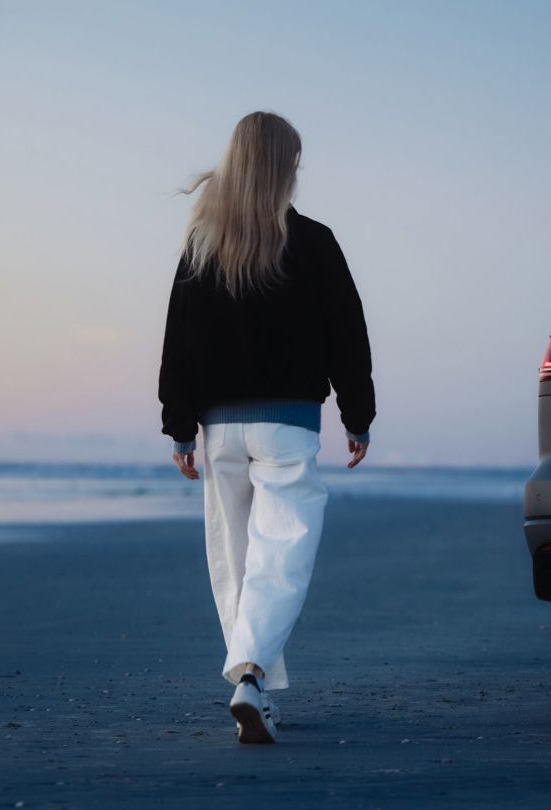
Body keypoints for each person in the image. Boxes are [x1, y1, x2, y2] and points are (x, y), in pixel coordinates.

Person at [158, 111, 375, 744]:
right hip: (288, 426)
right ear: (283, 169)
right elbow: (348, 337)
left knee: (236, 561)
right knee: (278, 559)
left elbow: (179, 344)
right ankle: (250, 677)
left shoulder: (202, 243)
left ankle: (251, 686)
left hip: (219, 430)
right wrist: (356, 415)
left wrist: (177, 427)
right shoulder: (314, 242)